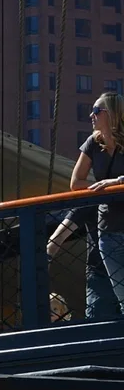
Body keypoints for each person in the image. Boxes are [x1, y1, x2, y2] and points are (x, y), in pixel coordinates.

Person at [70, 90, 124, 314]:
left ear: (111, 114)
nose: (91, 115)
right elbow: (76, 183)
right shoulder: (93, 142)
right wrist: (104, 187)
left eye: (96, 110)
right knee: (123, 297)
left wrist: (116, 182)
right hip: (109, 232)